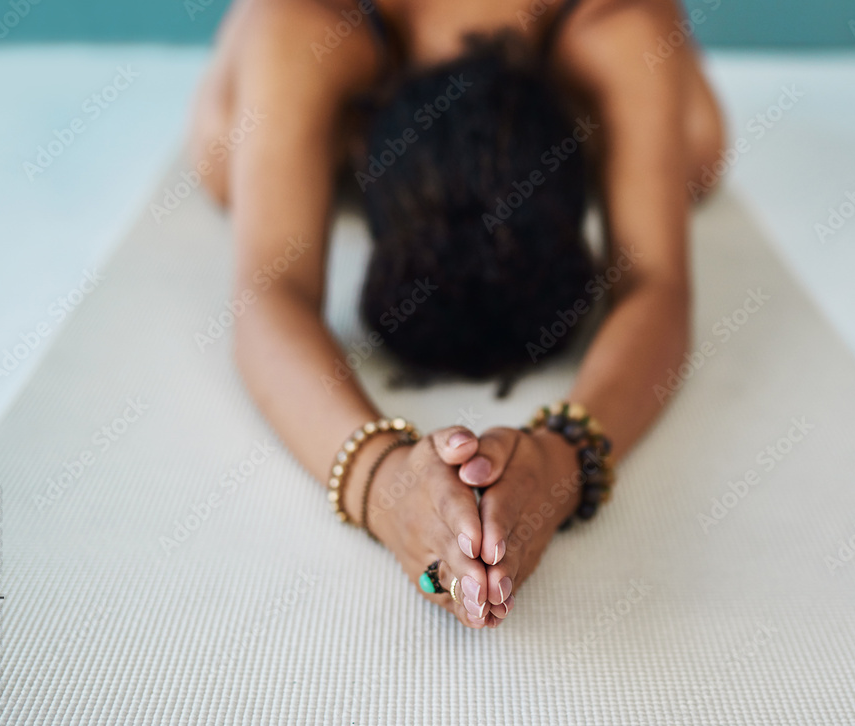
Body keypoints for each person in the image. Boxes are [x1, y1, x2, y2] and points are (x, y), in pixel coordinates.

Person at [188, 0, 724, 628]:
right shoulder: (302, 27)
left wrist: (559, 466)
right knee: (228, 163)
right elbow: (269, 290)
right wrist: (384, 490)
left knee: (697, 152)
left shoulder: (619, 28)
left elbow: (656, 285)